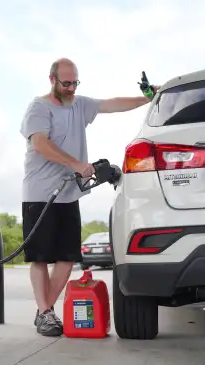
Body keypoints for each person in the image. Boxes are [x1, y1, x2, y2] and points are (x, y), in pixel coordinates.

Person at [19, 57, 160, 337]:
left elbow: (112, 103)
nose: (71, 88)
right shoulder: (39, 108)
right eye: (66, 83)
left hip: (69, 193)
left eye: (75, 82)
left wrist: (147, 98)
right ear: (52, 81)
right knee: (40, 258)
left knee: (68, 258)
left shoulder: (80, 105)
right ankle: (46, 312)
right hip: (40, 193)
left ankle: (43, 310)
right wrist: (76, 165)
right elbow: (40, 144)